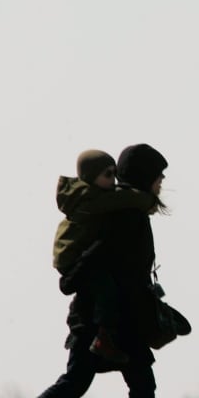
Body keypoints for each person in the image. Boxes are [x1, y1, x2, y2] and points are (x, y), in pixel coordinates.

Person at [0, 143, 193, 398]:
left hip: (112, 317)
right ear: (145, 176)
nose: (162, 181)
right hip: (105, 319)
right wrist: (99, 315)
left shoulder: (124, 208)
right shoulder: (127, 213)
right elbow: (102, 259)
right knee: (115, 382)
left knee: (105, 381)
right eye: (158, 175)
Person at [53, 149, 156, 364]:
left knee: (76, 383)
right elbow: (125, 199)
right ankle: (103, 337)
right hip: (72, 260)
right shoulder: (92, 198)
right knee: (106, 292)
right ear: (91, 178)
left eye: (114, 173)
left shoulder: (94, 195)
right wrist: (146, 199)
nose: (113, 180)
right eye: (107, 175)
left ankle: (105, 337)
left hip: (75, 260)